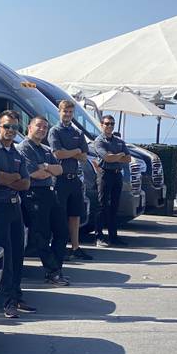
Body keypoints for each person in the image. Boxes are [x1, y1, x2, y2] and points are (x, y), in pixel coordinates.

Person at [0, 110, 34, 318]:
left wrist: (10, 179)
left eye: (14, 127)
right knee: (5, 253)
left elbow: (26, 182)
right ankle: (7, 301)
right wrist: (13, 178)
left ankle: (17, 295)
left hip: (15, 206)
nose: (10, 131)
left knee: (18, 253)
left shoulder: (17, 153)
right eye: (6, 126)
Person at [17, 116, 71, 287]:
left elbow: (60, 169)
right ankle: (52, 272)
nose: (42, 129)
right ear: (29, 127)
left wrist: (45, 167)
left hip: (49, 193)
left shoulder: (46, 149)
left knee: (62, 232)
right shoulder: (23, 148)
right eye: (39, 126)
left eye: (45, 127)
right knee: (41, 235)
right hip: (34, 194)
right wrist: (48, 170)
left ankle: (56, 270)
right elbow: (34, 173)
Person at [50, 98, 92, 261]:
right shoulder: (55, 131)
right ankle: (59, 247)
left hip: (74, 179)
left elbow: (84, 156)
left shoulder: (77, 132)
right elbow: (57, 153)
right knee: (60, 215)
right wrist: (75, 150)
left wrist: (71, 152)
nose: (67, 114)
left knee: (75, 215)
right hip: (60, 179)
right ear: (59, 112)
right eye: (65, 111)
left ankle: (75, 247)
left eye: (70, 112)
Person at [93, 114, 133, 247]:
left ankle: (113, 237)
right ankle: (99, 236)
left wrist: (115, 156)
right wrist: (118, 156)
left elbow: (128, 158)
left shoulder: (119, 141)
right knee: (102, 205)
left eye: (112, 124)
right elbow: (107, 158)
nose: (109, 126)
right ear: (101, 125)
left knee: (115, 206)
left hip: (117, 175)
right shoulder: (99, 141)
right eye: (107, 123)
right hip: (105, 174)